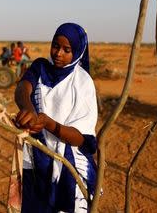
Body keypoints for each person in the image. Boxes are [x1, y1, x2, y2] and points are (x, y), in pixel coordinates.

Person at [14, 23, 98, 212]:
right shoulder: (40, 67)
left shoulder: (82, 83)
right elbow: (22, 89)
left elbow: (80, 138)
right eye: (55, 46)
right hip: (35, 158)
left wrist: (48, 123)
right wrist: (30, 111)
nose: (58, 53)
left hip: (68, 165)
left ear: (77, 52)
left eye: (66, 50)